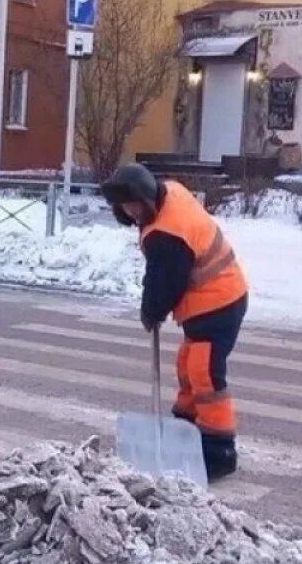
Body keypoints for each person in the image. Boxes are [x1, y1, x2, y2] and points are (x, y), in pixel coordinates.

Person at [101, 163, 248, 482]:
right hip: (214, 298)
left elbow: (166, 281)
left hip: (218, 302)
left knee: (204, 372)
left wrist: (151, 310)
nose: (130, 211)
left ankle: (218, 449)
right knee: (188, 365)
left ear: (145, 198)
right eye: (123, 206)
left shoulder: (167, 233)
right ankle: (186, 425)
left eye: (132, 204)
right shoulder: (170, 194)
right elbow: (161, 270)